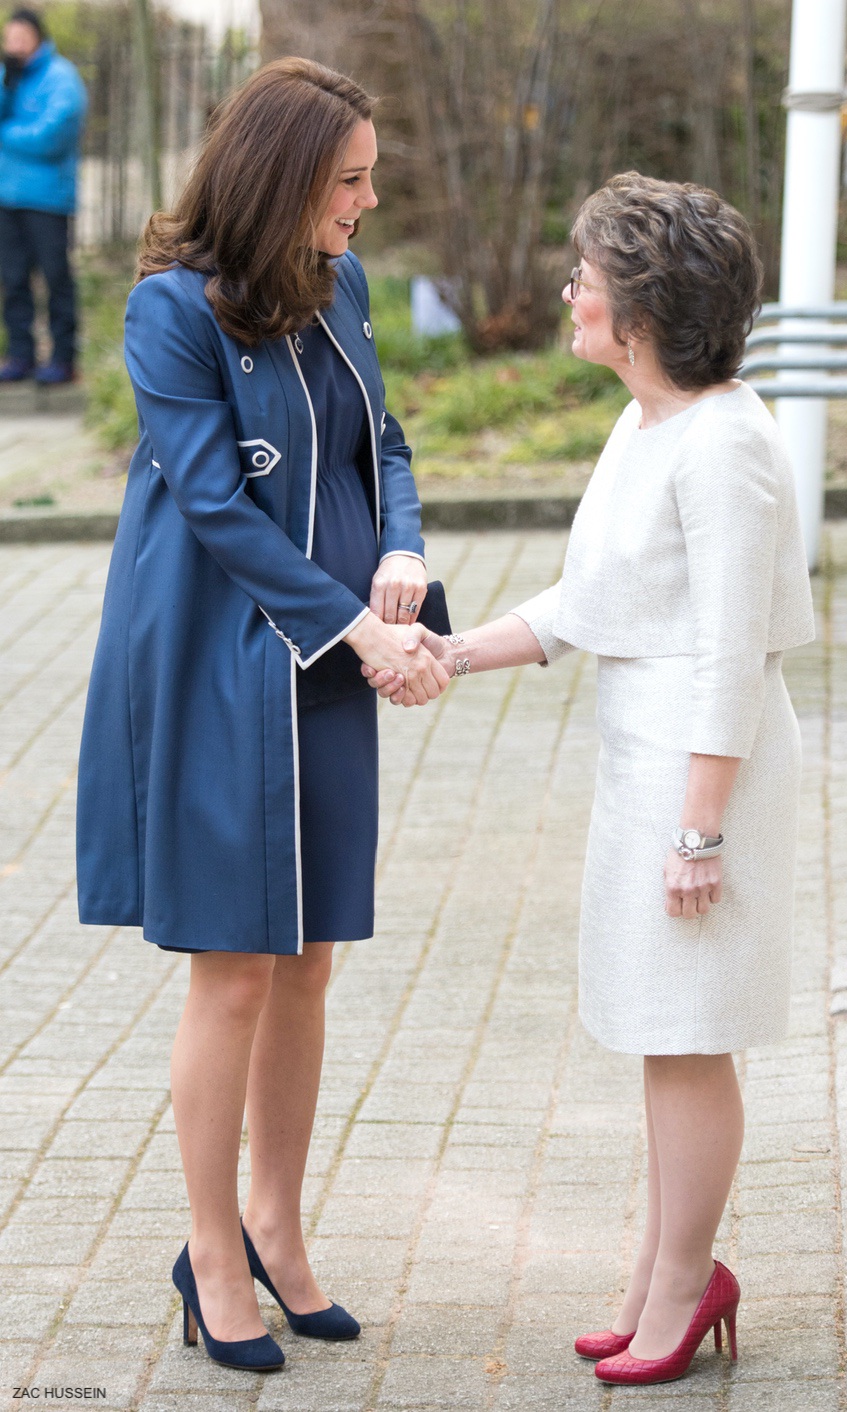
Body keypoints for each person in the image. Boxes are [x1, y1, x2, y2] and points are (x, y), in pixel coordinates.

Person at [367, 172, 815, 1387]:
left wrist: (702, 831)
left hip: (700, 770)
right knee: (656, 1033)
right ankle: (663, 1272)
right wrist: (454, 652)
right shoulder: (646, 422)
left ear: (647, 305)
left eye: (590, 278)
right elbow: (590, 604)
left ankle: (685, 1282)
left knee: (689, 1034)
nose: (572, 293)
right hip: (646, 755)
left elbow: (730, 644)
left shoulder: (726, 440)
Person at [76, 57, 448, 1374]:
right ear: (284, 176)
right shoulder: (170, 310)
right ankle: (210, 1253)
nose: (368, 200)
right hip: (216, 658)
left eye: (369, 176)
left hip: (340, 644)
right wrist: (354, 625)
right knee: (234, 963)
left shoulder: (341, 285)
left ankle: (278, 1227)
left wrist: (400, 557)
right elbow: (218, 508)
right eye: (350, 179)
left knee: (310, 958)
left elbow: (380, 444)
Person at [0, 6, 86, 383]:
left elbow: (53, 137)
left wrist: (6, 134)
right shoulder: (7, 77)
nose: (14, 45)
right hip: (7, 197)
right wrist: (8, 86)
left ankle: (63, 359)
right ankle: (21, 356)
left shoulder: (62, 78)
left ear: (37, 37)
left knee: (56, 278)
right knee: (13, 278)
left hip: (48, 200)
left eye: (21, 38)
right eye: (9, 38)